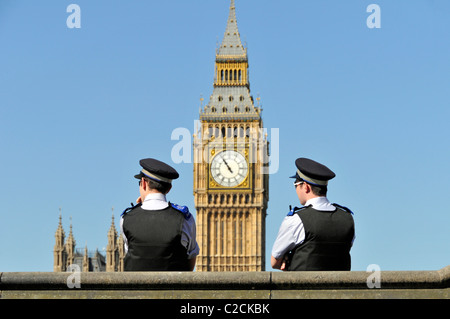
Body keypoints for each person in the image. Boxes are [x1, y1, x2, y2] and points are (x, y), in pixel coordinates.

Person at [271, 157, 355, 271]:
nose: (295, 189)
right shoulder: (347, 218)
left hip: (304, 288)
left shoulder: (296, 220)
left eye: (296, 185)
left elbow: (275, 261)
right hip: (338, 288)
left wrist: (289, 258)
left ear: (305, 187)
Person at [120, 158, 199, 271]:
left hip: (137, 288)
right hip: (174, 288)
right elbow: (190, 259)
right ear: (169, 189)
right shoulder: (185, 219)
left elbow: (132, 253)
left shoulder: (126, 219)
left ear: (143, 183)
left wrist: (137, 210)